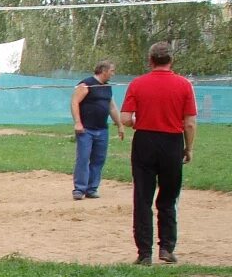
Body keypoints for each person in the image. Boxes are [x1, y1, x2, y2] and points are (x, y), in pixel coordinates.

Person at [121, 41, 197, 265]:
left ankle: (144, 253)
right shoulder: (184, 85)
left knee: (143, 198)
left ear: (150, 60)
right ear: (171, 60)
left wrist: (140, 121)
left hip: (145, 140)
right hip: (172, 143)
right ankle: (166, 248)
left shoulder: (138, 83)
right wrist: (188, 147)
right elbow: (190, 123)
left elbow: (125, 118)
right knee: (168, 198)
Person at [70, 60, 125, 200]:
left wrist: (119, 124)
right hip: (86, 129)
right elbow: (74, 102)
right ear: (103, 70)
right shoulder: (86, 84)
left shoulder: (107, 87)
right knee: (83, 158)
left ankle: (92, 188)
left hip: (102, 130)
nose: (113, 73)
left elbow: (112, 107)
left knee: (99, 159)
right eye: (112, 70)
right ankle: (79, 189)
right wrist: (78, 123)